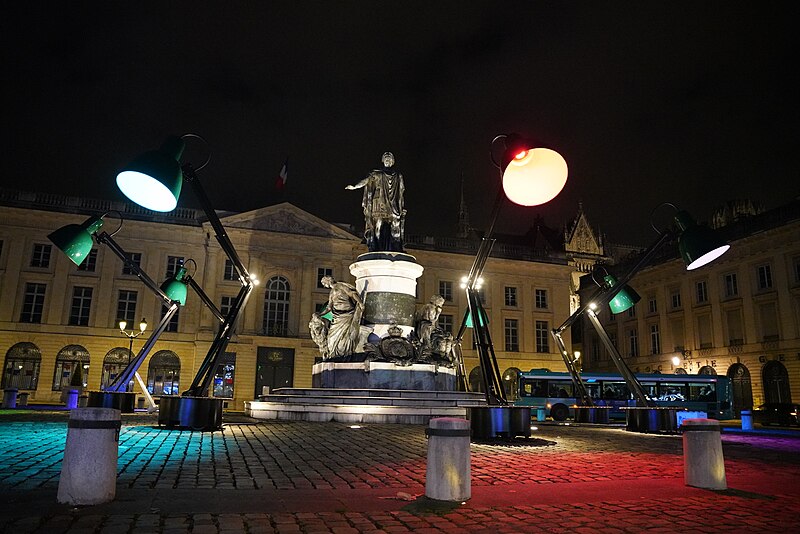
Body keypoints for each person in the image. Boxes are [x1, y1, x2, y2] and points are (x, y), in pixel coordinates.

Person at [346, 152, 406, 252]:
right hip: (379, 202)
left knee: (395, 225)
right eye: (386, 159)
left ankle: (395, 246)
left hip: (393, 204)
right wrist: (355, 186)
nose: (387, 160)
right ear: (383, 161)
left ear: (392, 161)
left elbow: (401, 193)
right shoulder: (376, 173)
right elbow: (366, 180)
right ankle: (375, 246)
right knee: (378, 224)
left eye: (389, 159)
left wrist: (401, 207)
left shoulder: (398, 176)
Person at [312, 276, 365, 358]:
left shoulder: (340, 286)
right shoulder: (331, 292)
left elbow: (352, 294)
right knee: (331, 336)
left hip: (347, 315)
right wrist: (320, 314)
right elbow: (329, 308)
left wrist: (360, 303)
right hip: (338, 316)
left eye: (324, 284)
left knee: (345, 335)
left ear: (328, 281)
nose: (325, 286)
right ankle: (337, 354)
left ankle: (345, 352)